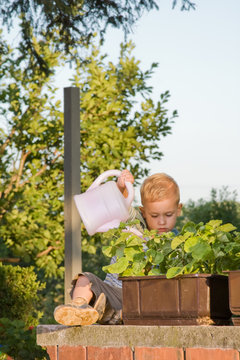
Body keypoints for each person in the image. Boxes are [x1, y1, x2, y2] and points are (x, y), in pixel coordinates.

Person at [53, 170, 182, 326]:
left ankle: (111, 314)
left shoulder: (179, 244)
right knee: (85, 278)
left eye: (168, 215)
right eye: (154, 216)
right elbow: (119, 204)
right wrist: (121, 187)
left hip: (148, 300)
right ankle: (79, 307)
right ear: (144, 212)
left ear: (179, 209)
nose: (162, 222)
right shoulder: (136, 224)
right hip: (116, 293)